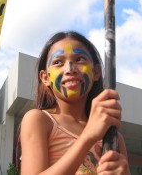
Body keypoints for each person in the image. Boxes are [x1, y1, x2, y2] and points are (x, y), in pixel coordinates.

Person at [19, 31, 130, 174]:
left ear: (96, 72)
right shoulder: (39, 120)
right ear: (45, 77)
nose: (70, 69)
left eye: (80, 59)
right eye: (58, 62)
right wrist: (88, 137)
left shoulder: (113, 135)